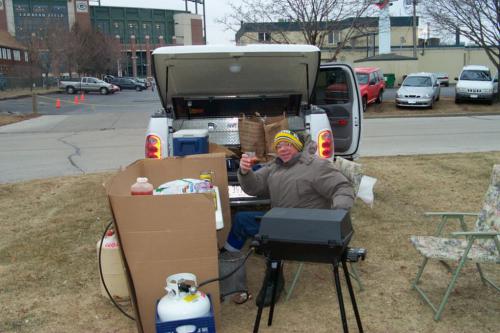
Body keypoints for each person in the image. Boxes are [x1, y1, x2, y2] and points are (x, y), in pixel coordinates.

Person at [222, 130, 355, 305]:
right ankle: (227, 262)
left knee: (271, 240)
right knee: (241, 220)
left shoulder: (316, 166)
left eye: (288, 144)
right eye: (279, 146)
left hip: (307, 226)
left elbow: (342, 188)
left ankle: (273, 278)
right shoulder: (273, 166)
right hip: (279, 221)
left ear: (298, 147)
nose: (283, 149)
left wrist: (338, 214)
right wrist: (245, 172)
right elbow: (253, 188)